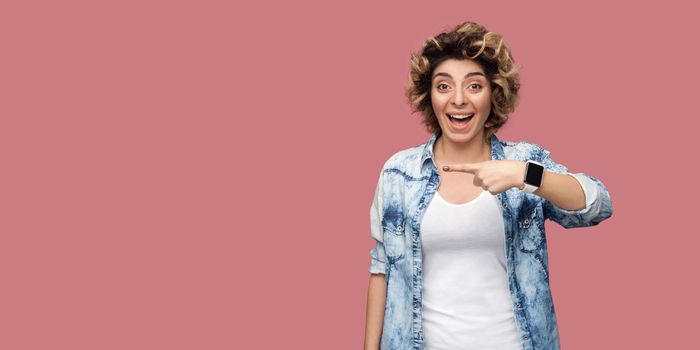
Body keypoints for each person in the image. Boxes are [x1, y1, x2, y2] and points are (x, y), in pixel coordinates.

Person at [363, 21, 613, 350]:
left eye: (474, 86)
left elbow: (598, 205)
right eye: (443, 86)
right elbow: (381, 269)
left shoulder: (522, 160)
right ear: (430, 96)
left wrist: (526, 176)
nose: (458, 100)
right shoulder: (398, 172)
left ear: (493, 94)